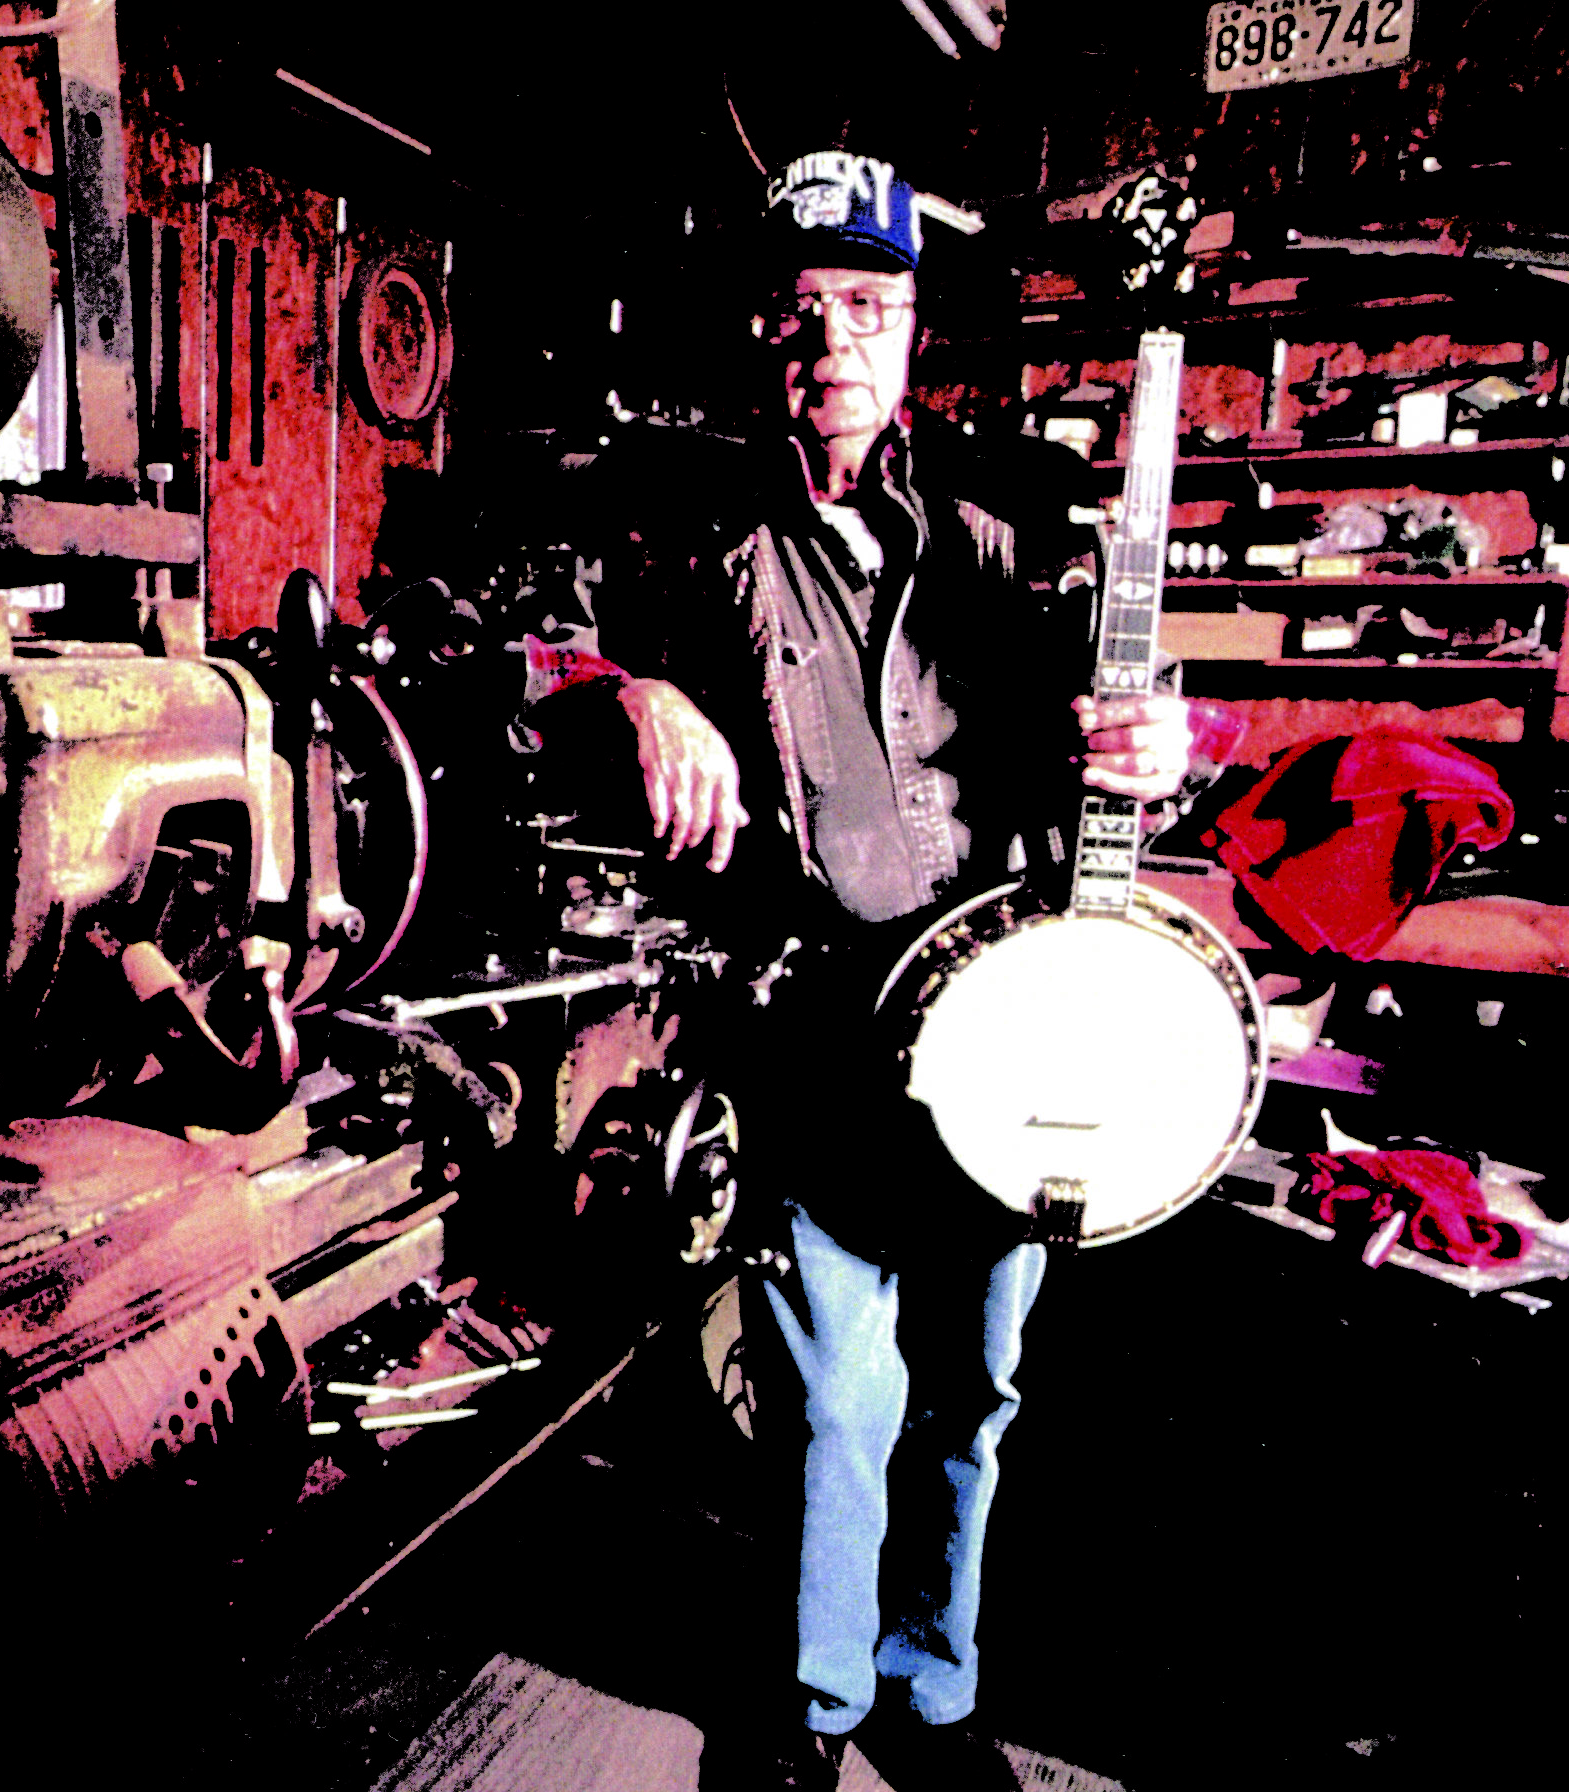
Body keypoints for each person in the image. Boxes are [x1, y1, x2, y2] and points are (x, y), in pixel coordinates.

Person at [502, 150, 1226, 1789]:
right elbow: (521, 643)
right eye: (807, 307)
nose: (836, 341)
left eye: (872, 310)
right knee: (838, 1407)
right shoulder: (681, 521)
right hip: (815, 1021)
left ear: (914, 335)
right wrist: (624, 689)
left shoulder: (1009, 515)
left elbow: (1128, 716)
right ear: (763, 327)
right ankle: (816, 1709)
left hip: (1004, 1019)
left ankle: (936, 1693)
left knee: (974, 1392)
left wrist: (1156, 742)